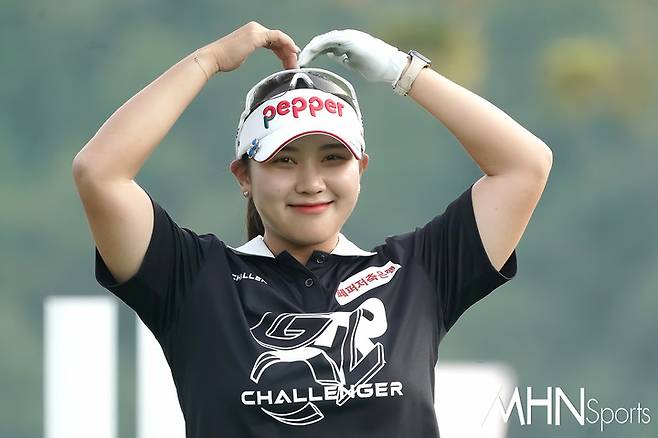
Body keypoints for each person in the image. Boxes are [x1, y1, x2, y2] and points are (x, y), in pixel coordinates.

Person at [72, 21, 552, 438]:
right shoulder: (195, 280)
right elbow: (99, 173)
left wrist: (402, 71)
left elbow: (525, 165)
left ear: (360, 168)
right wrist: (208, 60)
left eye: (333, 158)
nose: (311, 182)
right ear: (243, 176)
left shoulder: (416, 275)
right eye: (284, 160)